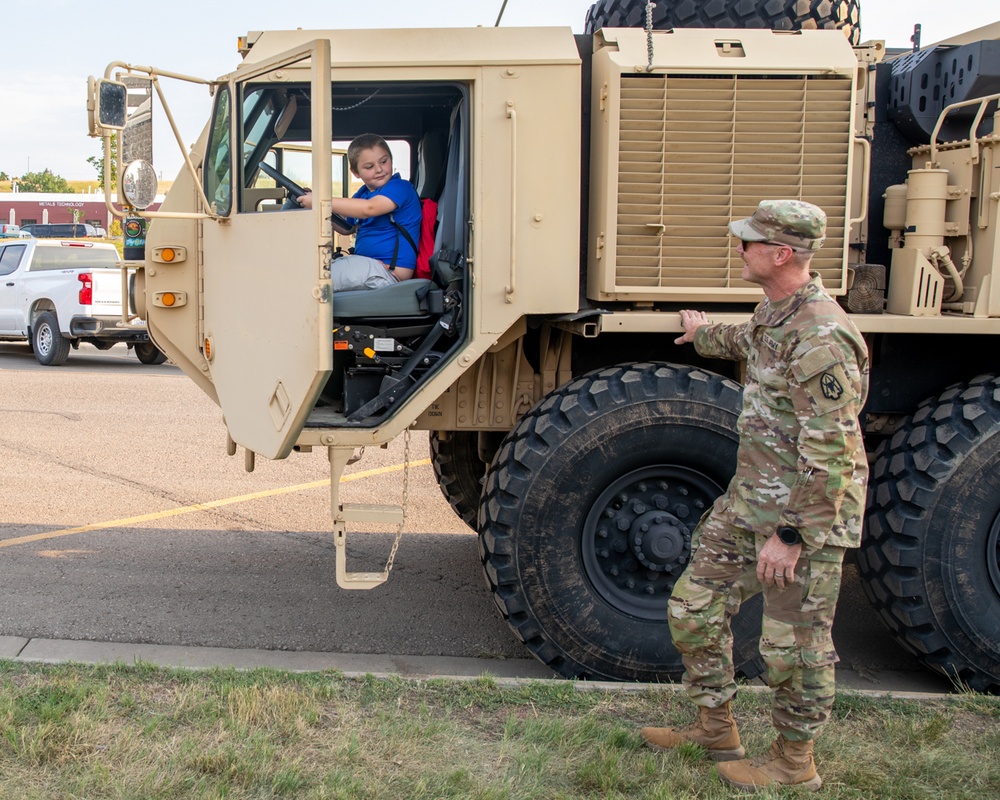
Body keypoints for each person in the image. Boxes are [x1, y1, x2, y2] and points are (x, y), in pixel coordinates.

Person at [640, 200, 869, 792]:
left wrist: (791, 536)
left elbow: (833, 455)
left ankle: (795, 763)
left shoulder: (822, 336)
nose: (739, 250)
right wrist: (701, 334)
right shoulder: (778, 313)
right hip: (750, 504)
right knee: (693, 607)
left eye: (747, 243)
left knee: (793, 646)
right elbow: (748, 340)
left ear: (780, 253)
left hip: (805, 518)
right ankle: (716, 727)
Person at [298, 133, 421, 292]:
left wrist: (321, 200)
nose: (379, 169)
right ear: (356, 172)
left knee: (314, 282)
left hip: (391, 274)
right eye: (369, 167)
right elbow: (346, 228)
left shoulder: (400, 187)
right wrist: (317, 208)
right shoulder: (363, 194)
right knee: (310, 272)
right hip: (369, 266)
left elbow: (369, 209)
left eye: (384, 161)